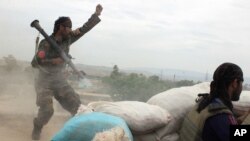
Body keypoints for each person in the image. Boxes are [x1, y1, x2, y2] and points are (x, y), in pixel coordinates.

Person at [31, 4, 103, 140]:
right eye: (68, 27)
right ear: (60, 27)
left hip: (59, 79)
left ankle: (75, 131)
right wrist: (54, 61)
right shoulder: (45, 43)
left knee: (76, 106)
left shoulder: (68, 38)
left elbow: (83, 29)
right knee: (47, 111)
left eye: (70, 27)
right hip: (43, 81)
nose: (70, 29)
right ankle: (37, 128)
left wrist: (96, 15)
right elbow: (35, 63)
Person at [179, 62, 245, 141]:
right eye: (241, 83)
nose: (242, 87)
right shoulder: (219, 114)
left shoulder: (205, 103)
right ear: (235, 83)